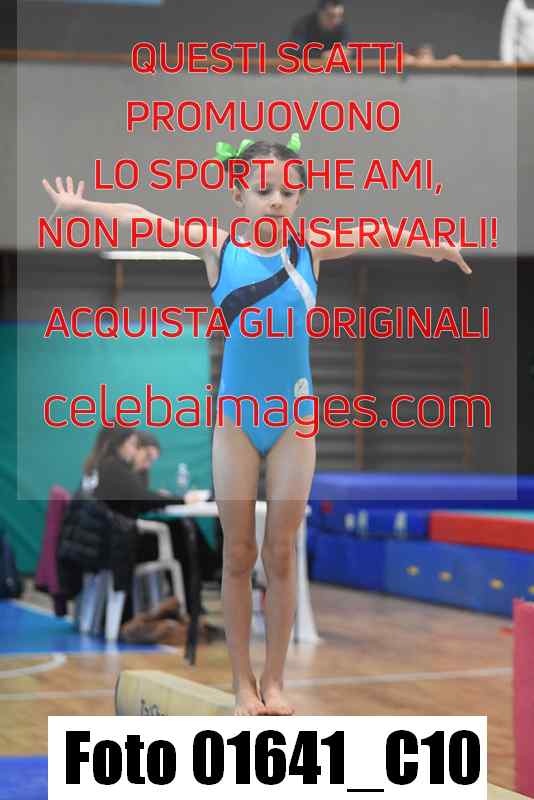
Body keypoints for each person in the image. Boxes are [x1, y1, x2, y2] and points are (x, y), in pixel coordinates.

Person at [42, 137, 470, 715]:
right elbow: (143, 219)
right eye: (263, 190)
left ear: (299, 198)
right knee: (239, 553)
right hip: (237, 421)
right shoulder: (219, 248)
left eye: (288, 192)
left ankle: (275, 681)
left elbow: (379, 232)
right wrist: (81, 208)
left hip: (295, 418)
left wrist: (434, 245)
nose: (276, 201)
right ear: (238, 194)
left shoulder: (311, 248)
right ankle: (242, 682)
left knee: (283, 552)